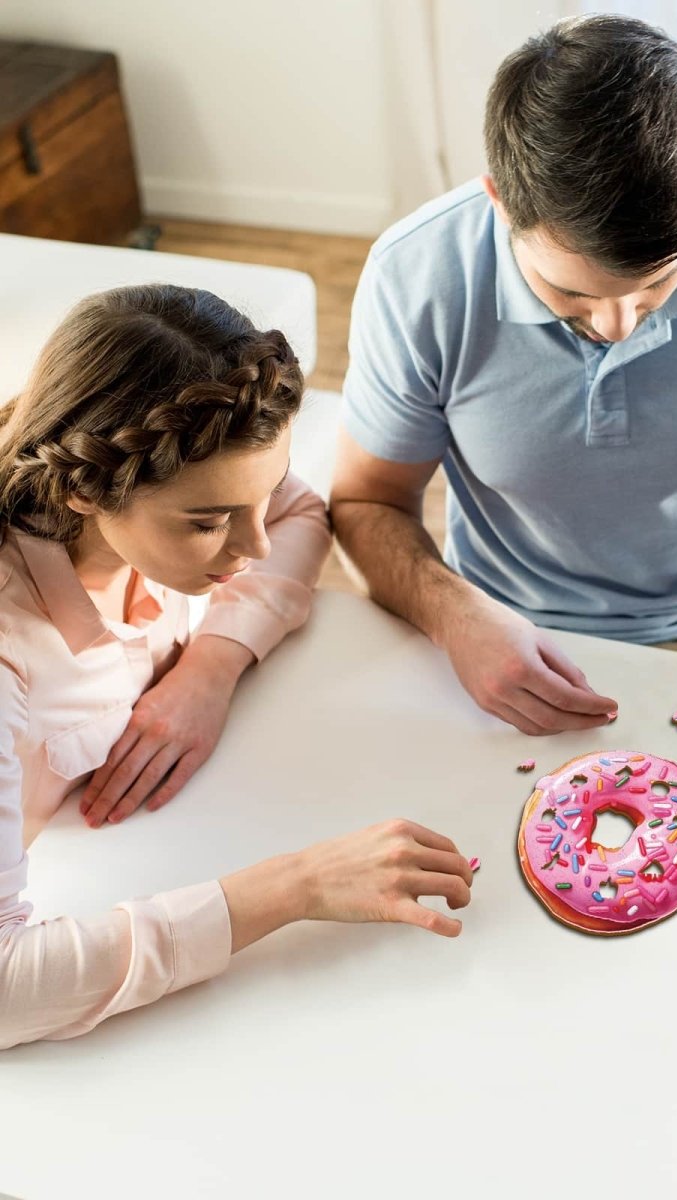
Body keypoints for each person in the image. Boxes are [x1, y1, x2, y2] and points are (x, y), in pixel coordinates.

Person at [330, 14, 677, 736]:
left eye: (657, 288)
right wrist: (450, 613)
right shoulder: (416, 278)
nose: (619, 326)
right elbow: (367, 503)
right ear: (500, 202)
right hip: (494, 632)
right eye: (573, 295)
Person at [0, 286, 473, 1050]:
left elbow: (296, 514)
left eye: (255, 497)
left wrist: (210, 669)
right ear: (84, 488)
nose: (250, 549)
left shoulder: (171, 481)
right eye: (209, 522)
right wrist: (297, 886)